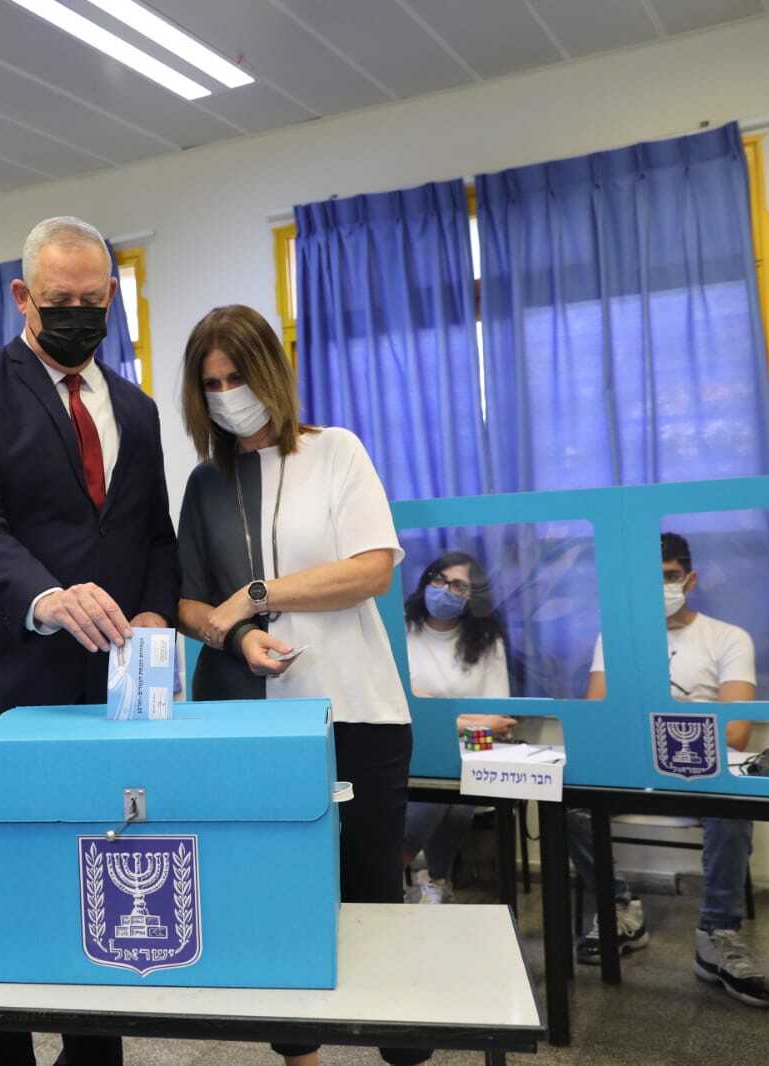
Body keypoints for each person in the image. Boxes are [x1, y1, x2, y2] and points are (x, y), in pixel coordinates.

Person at [0, 216, 178, 1066]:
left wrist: (151, 610)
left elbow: (153, 535)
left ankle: (92, 1052)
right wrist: (47, 596)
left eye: (89, 298)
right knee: (6, 897)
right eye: (56, 299)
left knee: (103, 885)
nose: (75, 311)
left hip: (102, 695)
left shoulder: (135, 408)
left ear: (112, 295)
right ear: (22, 296)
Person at [173, 305, 426, 1066]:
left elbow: (370, 570)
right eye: (210, 383)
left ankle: (401, 1048)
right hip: (247, 721)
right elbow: (188, 601)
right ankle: (298, 1056)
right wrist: (238, 634)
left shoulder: (336, 452)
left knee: (373, 889)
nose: (226, 395)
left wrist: (254, 595)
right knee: (274, 893)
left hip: (356, 710)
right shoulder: (204, 483)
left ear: (271, 375)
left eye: (237, 377)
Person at [572, 532, 769, 1009]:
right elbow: (599, 717)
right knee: (573, 804)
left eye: (668, 576)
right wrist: (678, 715)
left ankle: (716, 935)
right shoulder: (617, 635)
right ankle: (618, 907)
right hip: (633, 770)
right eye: (647, 579)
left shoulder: (728, 638)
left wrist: (645, 718)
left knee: (732, 803)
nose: (659, 587)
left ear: (690, 578)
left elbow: (736, 733)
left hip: (700, 771)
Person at [400, 552, 515, 904]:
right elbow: (400, 705)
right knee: (444, 792)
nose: (445, 590)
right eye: (438, 579)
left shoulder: (486, 639)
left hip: (469, 750)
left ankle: (413, 876)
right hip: (409, 745)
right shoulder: (400, 628)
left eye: (458, 585)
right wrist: (464, 721)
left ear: (473, 596)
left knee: (453, 791)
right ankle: (429, 878)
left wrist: (437, 714)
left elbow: (500, 720)